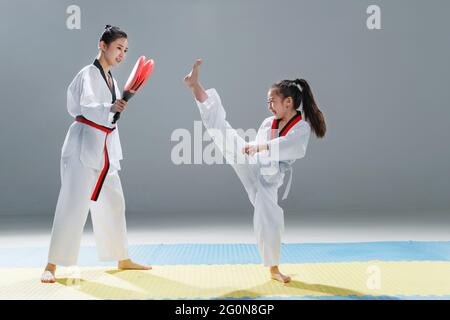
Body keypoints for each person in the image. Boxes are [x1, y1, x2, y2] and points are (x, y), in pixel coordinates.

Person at [184, 59, 326, 282]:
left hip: (270, 178)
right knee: (223, 132)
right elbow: (257, 150)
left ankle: (274, 269)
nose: (269, 106)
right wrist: (253, 150)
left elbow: (294, 148)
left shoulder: (301, 127)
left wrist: (261, 147)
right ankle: (195, 87)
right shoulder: (268, 122)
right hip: (254, 162)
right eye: (268, 102)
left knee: (268, 216)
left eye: (273, 101)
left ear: (288, 102)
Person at [41, 25, 150, 284]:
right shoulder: (89, 73)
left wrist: (113, 108)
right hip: (82, 146)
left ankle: (122, 257)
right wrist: (110, 106)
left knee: (114, 202)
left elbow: (107, 113)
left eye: (125, 50)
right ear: (103, 45)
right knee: (72, 204)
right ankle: (51, 265)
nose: (122, 54)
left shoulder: (110, 78)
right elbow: (88, 106)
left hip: (103, 148)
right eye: (118, 48)